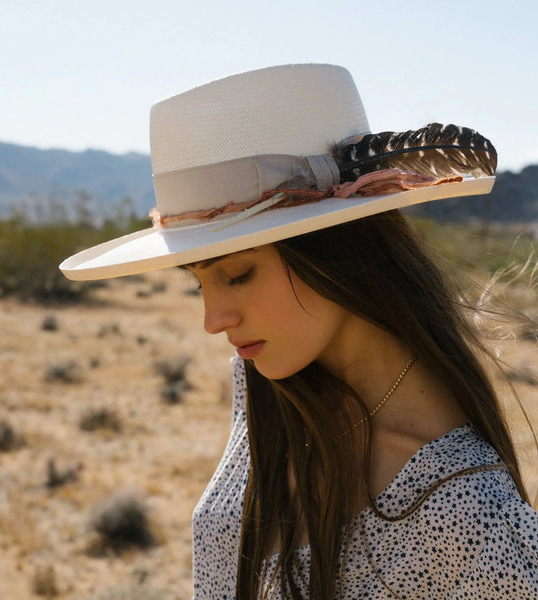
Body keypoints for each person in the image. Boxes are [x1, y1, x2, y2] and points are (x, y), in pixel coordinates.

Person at [60, 64, 538, 599]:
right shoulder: (266, 383)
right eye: (200, 283)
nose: (212, 321)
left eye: (238, 274)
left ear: (339, 252)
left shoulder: (473, 523)